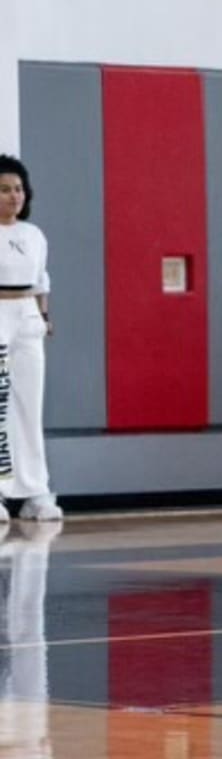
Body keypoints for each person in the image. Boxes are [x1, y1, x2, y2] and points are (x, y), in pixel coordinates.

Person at [0, 157, 62, 525]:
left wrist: (43, 316)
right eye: (5, 190)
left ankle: (34, 491)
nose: (13, 196)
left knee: (29, 404)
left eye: (18, 189)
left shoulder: (33, 235)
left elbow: (41, 282)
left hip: (26, 318)